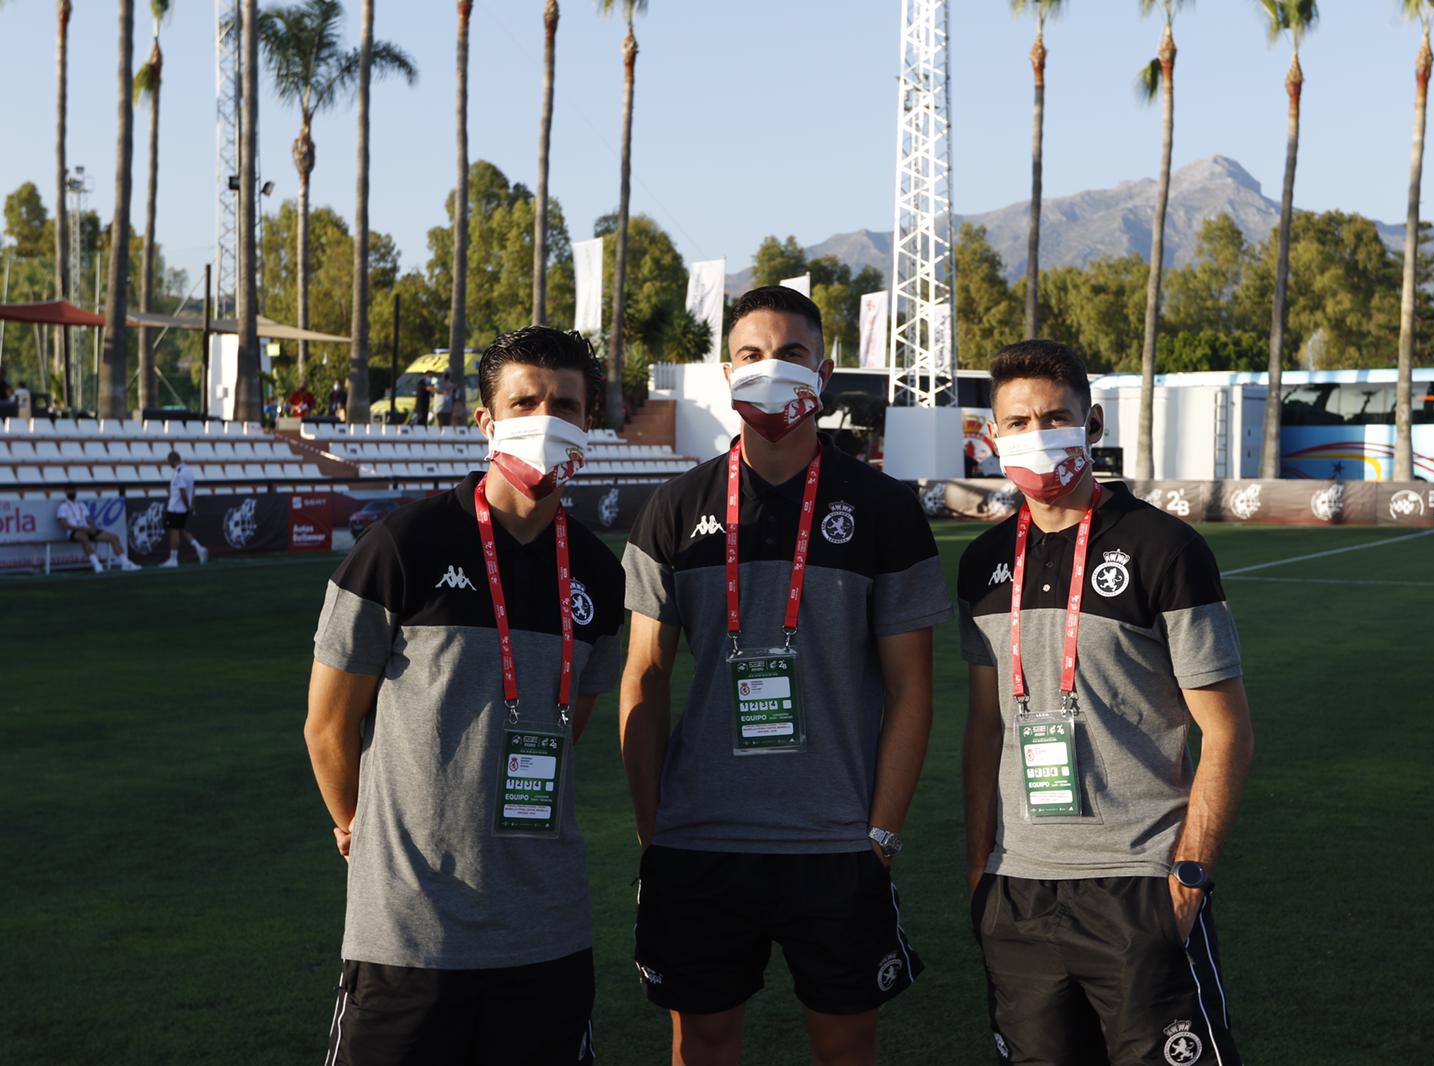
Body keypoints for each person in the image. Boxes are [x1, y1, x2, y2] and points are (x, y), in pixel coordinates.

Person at [620, 286, 952, 1066]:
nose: (771, 369)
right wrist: (652, 825)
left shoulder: (882, 508)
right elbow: (644, 676)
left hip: (836, 841)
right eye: (751, 354)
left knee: (845, 1045)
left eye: (792, 354)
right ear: (725, 374)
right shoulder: (673, 506)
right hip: (700, 838)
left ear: (825, 372)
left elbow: (913, 688)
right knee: (702, 1041)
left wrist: (880, 829)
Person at [305, 326, 622, 1065]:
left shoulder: (600, 575)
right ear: (486, 421)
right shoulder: (403, 544)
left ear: (588, 422)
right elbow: (328, 725)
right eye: (525, 402)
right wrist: (360, 826)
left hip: (547, 930)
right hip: (410, 932)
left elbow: (567, 725)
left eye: (565, 405)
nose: (546, 420)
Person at [958, 340, 1254, 1066]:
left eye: (1055, 416)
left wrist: (1186, 878)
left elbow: (1228, 731)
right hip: (1020, 890)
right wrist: (980, 869)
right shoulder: (981, 563)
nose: (1036, 433)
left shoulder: (1165, 549)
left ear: (1092, 423)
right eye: (1018, 421)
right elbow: (985, 725)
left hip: (1140, 885)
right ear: (994, 436)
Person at [56, 487, 139, 572]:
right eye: (70, 490)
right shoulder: (63, 506)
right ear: (66, 492)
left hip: (87, 529)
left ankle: (125, 563)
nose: (72, 492)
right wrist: (82, 529)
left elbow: (89, 519)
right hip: (74, 531)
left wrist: (92, 527)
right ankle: (97, 564)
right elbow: (64, 524)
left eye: (73, 490)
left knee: (113, 537)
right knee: (83, 537)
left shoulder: (81, 504)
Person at [159, 451, 208, 568]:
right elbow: (193, 489)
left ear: (172, 460)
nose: (168, 463)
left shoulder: (179, 473)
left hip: (176, 507)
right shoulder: (188, 470)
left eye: (168, 461)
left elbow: (182, 492)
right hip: (182, 508)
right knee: (181, 529)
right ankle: (199, 548)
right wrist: (191, 504)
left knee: (174, 531)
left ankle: (173, 559)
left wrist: (188, 505)